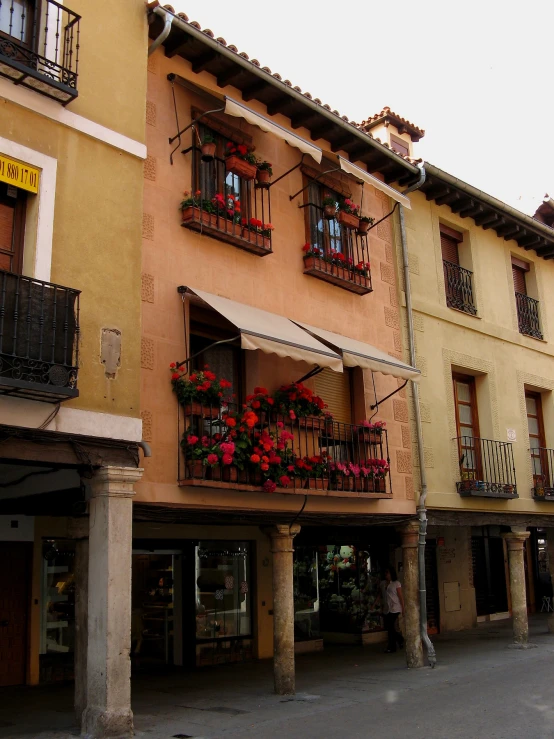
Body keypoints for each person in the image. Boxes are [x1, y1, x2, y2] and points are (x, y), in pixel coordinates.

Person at [383, 566, 404, 653]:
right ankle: (399, 640)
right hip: (389, 607)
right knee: (390, 627)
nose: (386, 575)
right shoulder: (385, 583)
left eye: (388, 573)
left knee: (391, 627)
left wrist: (403, 608)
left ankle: (392, 646)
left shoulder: (396, 583)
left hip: (396, 607)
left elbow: (400, 596)